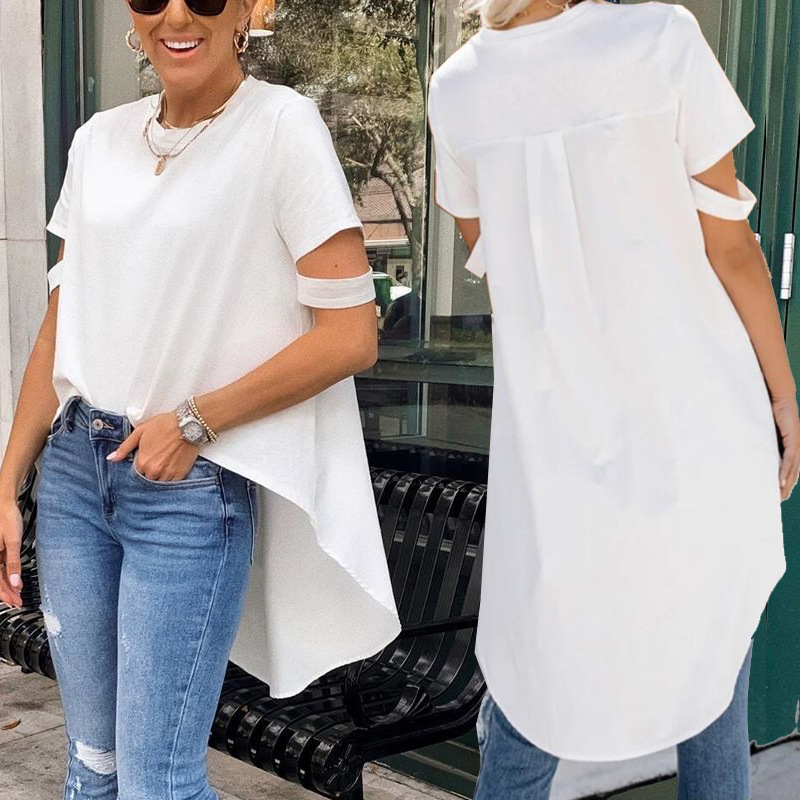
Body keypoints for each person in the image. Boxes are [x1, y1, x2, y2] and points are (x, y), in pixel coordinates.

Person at [0, 1, 402, 798]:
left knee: (157, 780)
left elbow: (351, 335)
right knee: (91, 764)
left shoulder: (281, 127)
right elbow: (60, 323)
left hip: (185, 487)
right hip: (75, 474)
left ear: (249, 9)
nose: (177, 15)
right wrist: (9, 481)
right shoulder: (98, 140)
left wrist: (194, 421)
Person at [426, 0, 799, 798]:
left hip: (557, 446)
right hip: (698, 421)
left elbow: (495, 263)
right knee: (709, 669)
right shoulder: (660, 38)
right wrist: (783, 392)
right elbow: (733, 251)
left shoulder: (456, 89)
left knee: (533, 688)